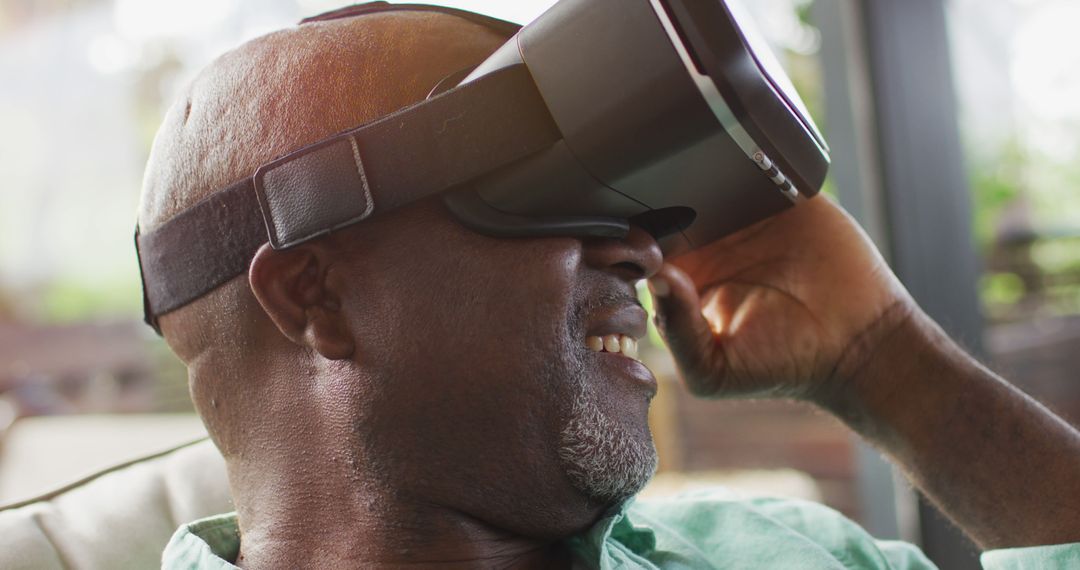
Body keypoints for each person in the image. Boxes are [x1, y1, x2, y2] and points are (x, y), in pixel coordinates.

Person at [139, 5, 1080, 569]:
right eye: (549, 192)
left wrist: (888, 363)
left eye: (630, 203)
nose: (638, 249)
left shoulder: (778, 553)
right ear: (316, 295)